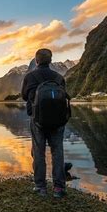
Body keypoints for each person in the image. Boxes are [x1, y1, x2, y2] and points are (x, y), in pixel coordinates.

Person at [21, 48, 68, 198]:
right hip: (58, 121)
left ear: (36, 61)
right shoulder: (59, 77)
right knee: (57, 152)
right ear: (51, 61)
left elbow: (24, 96)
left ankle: (40, 187)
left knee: (38, 152)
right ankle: (59, 188)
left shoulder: (30, 76)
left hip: (37, 121)